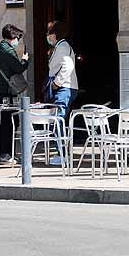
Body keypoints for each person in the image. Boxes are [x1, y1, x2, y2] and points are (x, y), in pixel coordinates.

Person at [0, 24, 29, 163]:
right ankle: (6, 154)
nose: (18, 40)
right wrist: (25, 59)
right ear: (13, 36)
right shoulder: (6, 50)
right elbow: (18, 67)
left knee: (6, 121)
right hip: (6, 91)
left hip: (1, 90)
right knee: (10, 122)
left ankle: (5, 153)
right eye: (18, 37)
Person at [45, 21, 78, 165]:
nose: (47, 36)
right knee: (59, 120)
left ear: (55, 34)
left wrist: (56, 83)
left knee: (58, 121)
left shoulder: (62, 47)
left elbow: (68, 66)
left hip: (64, 88)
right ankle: (62, 153)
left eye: (49, 32)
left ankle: (63, 154)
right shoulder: (61, 46)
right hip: (66, 87)